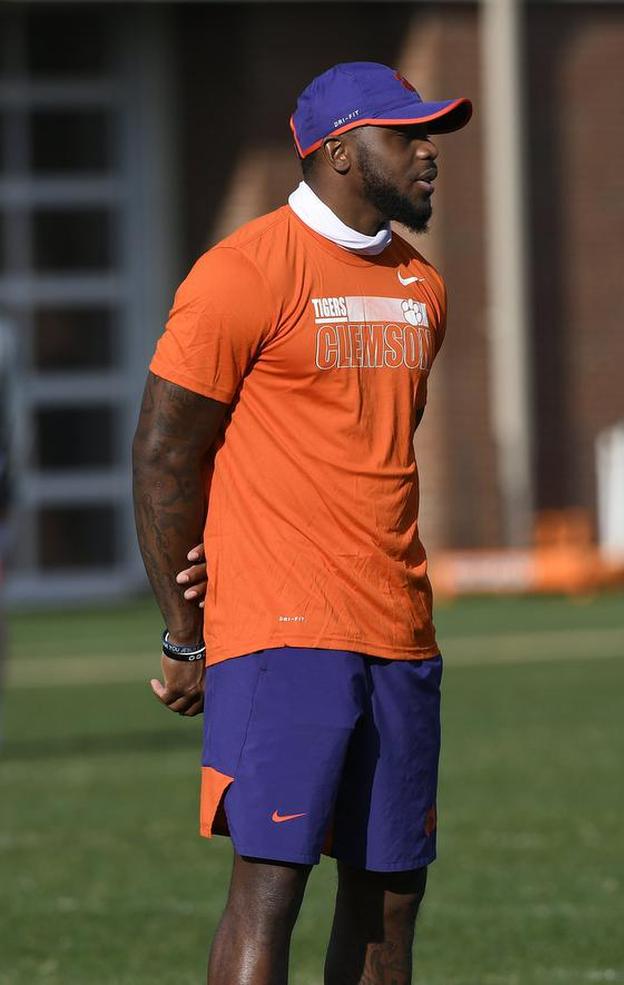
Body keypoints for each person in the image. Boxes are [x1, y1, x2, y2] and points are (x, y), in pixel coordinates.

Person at [131, 62, 471, 985]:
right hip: (282, 634)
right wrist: (185, 632)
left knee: (391, 901)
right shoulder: (240, 274)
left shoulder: (424, 289)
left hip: (400, 632)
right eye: (406, 134)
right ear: (338, 153)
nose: (429, 151)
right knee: (269, 889)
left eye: (430, 131)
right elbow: (165, 452)